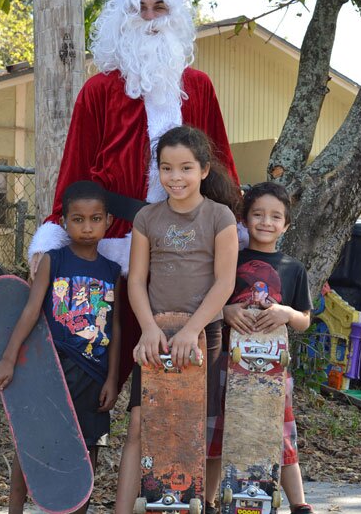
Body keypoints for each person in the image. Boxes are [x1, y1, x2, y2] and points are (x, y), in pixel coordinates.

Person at [27, 0, 243, 389]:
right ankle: (81, 443)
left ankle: (163, 446)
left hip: (186, 246)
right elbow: (75, 167)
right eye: (138, 8)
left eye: (158, 6)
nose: (149, 16)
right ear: (121, 19)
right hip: (109, 243)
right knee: (89, 359)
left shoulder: (198, 87)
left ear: (174, 15)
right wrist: (53, 232)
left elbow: (219, 161)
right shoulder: (99, 90)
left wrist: (236, 224)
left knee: (174, 378)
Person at [115, 125, 240, 514]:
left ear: (203, 170)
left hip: (204, 333)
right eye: (166, 169)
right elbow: (136, 280)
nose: (175, 177)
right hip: (155, 334)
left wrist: (192, 330)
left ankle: (191, 503)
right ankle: (121, 509)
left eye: (185, 168)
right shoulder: (147, 218)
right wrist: (150, 328)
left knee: (191, 426)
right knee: (139, 424)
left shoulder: (219, 217)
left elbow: (225, 282)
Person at [0, 181, 121, 514]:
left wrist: (113, 379)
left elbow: (116, 328)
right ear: (64, 222)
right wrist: (8, 358)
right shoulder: (54, 260)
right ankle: (15, 508)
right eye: (78, 219)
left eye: (95, 219)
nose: (87, 227)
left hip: (93, 373)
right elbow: (31, 311)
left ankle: (77, 508)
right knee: (32, 438)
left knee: (87, 446)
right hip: (53, 368)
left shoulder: (112, 271)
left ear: (107, 221)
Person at [206, 182, 315, 514]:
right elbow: (211, 302)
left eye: (275, 216)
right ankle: (209, 501)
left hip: (273, 368)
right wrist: (225, 311)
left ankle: (299, 504)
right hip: (228, 362)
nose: (266, 222)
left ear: (287, 224)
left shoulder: (293, 269)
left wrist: (286, 313)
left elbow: (304, 320)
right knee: (221, 430)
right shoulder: (230, 260)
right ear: (244, 219)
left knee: (279, 431)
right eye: (258, 214)